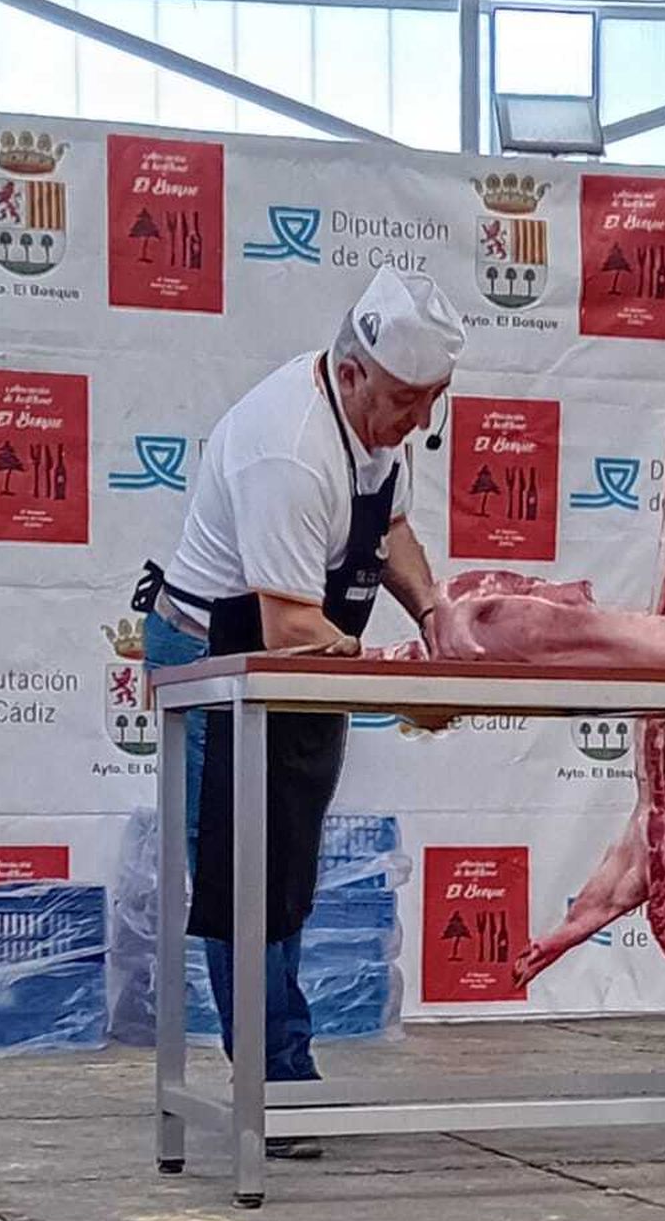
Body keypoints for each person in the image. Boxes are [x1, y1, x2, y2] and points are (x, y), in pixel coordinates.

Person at [138, 265, 464, 1154]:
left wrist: (435, 615)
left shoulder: (376, 424)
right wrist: (402, 680)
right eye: (406, 401)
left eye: (431, 402)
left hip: (301, 656)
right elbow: (288, 628)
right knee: (241, 872)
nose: (419, 422)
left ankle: (284, 1065)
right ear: (352, 372)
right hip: (219, 655)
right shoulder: (289, 447)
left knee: (286, 864)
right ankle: (274, 1082)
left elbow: (390, 528)